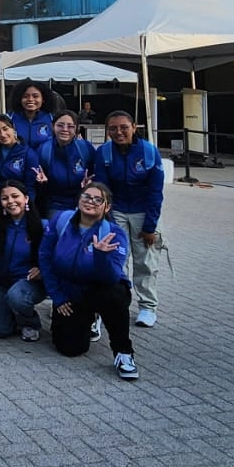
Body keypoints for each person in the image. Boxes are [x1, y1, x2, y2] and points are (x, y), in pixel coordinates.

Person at [39, 182, 138, 380]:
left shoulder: (113, 233)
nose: (90, 201)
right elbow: (45, 257)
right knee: (71, 349)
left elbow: (110, 278)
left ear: (107, 206)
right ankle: (88, 319)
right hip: (70, 293)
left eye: (98, 199)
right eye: (86, 196)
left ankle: (123, 353)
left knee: (114, 295)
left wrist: (101, 256)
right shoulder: (61, 221)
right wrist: (57, 297)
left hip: (101, 290)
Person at [93, 110, 165, 328]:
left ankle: (148, 307)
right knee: (116, 260)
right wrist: (108, 219)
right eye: (112, 128)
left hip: (144, 211)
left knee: (146, 262)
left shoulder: (149, 152)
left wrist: (150, 226)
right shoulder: (104, 153)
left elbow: (155, 191)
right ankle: (117, 303)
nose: (118, 132)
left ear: (135, 127)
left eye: (124, 127)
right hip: (117, 211)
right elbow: (102, 189)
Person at [0, 181, 47, 341]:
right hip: (0, 283)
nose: (10, 201)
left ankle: (29, 322)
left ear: (26, 198)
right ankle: (12, 312)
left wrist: (41, 269)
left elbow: (51, 255)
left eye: (15, 196)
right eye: (5, 198)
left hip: (27, 283)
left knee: (16, 297)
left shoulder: (40, 226)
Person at [36, 110, 97, 214]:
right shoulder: (44, 149)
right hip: (54, 205)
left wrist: (91, 184)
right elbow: (37, 181)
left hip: (83, 203)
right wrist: (42, 183)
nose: (65, 130)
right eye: (60, 125)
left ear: (76, 129)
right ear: (52, 126)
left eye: (70, 126)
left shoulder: (85, 148)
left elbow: (96, 175)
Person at [0, 113, 39, 210]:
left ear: (13, 128)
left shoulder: (28, 153)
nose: (2, 134)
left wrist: (28, 208)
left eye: (5, 129)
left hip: (15, 204)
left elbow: (30, 186)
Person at [10, 79, 55, 151]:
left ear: (43, 99)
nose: (30, 99)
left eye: (35, 96)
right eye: (25, 96)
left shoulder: (52, 119)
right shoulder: (9, 118)